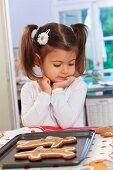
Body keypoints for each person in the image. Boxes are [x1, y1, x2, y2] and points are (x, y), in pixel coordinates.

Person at [20, 22, 88, 128]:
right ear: (38, 60)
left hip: (73, 143)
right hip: (40, 144)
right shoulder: (29, 89)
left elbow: (66, 123)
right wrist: (45, 93)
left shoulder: (78, 86)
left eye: (71, 63)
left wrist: (56, 90)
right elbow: (29, 124)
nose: (65, 70)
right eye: (57, 65)